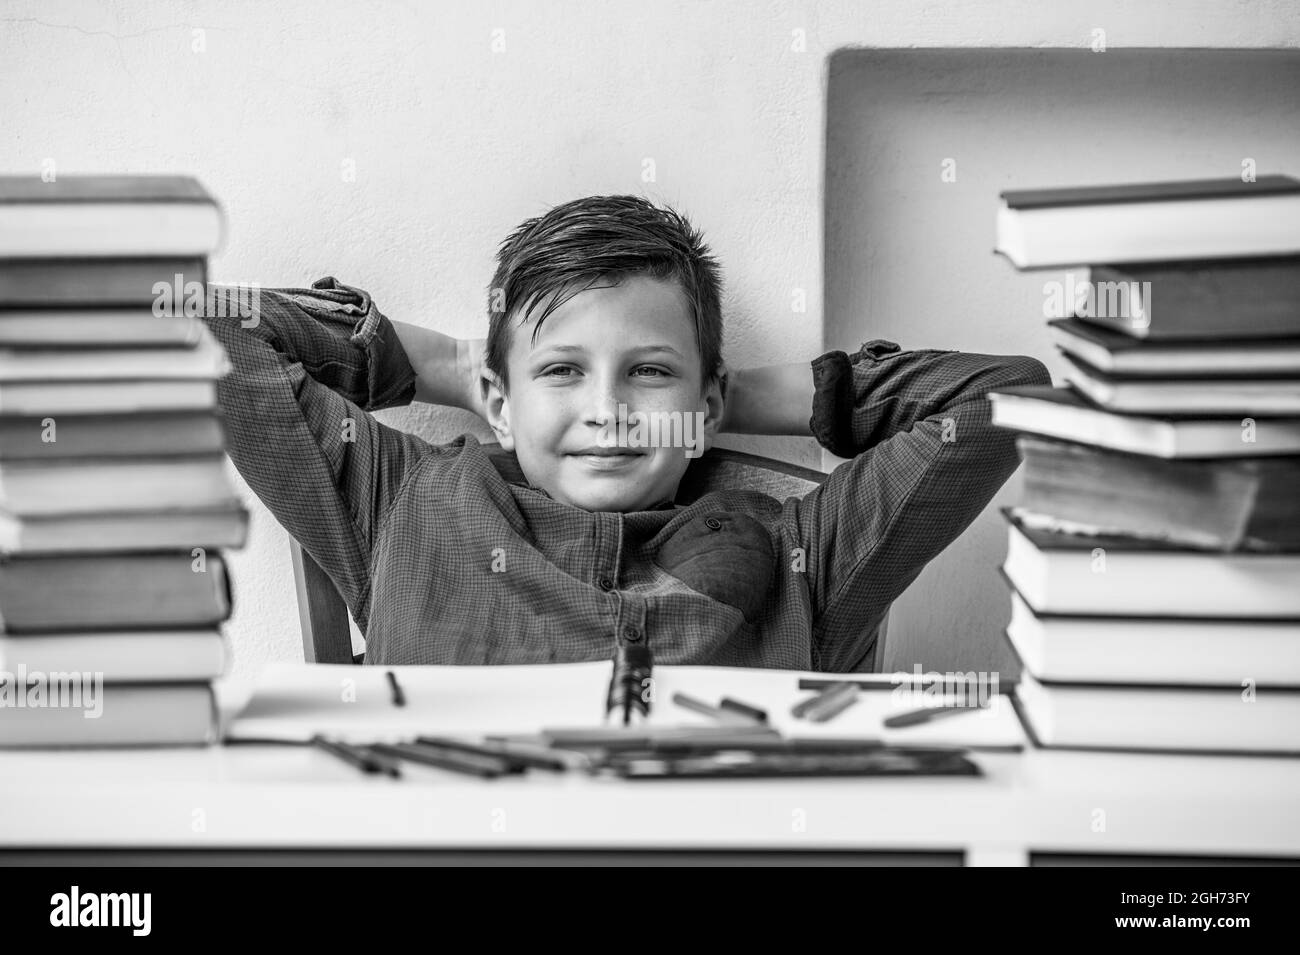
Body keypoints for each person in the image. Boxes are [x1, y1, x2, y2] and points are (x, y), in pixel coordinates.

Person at [202, 194, 1050, 669]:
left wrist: (722, 399)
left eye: (647, 371)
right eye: (562, 371)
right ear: (497, 398)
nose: (607, 410)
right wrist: (466, 368)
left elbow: (1001, 399)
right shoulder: (402, 503)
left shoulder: (808, 551)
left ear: (710, 400)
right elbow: (212, 332)